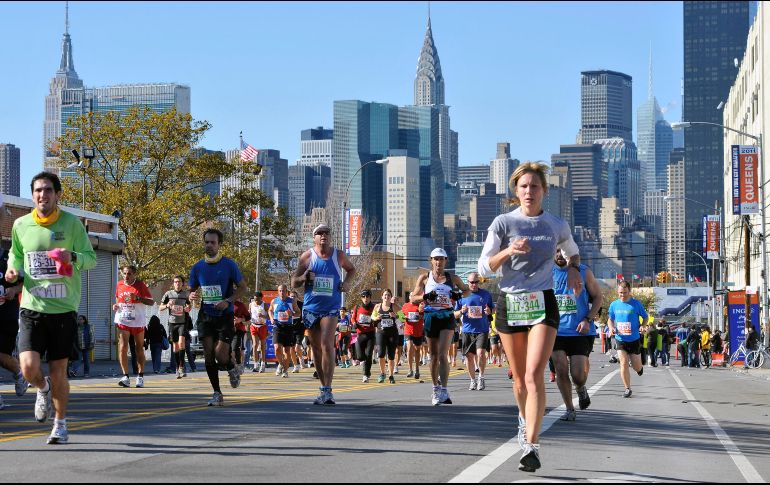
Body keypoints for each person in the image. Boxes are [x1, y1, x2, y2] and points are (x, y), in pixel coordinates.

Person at [477, 162, 582, 472]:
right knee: (520, 378)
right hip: (510, 302)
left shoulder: (556, 224)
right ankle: (524, 420)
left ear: (544, 191)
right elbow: (484, 268)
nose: (529, 191)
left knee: (535, 373)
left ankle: (532, 446)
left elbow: (572, 250)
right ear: (516, 191)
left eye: (534, 186)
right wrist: (509, 251)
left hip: (542, 302)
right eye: (523, 186)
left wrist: (573, 269)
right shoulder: (503, 223)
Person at [6, 171, 97, 444]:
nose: (42, 195)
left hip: (63, 309)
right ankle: (41, 388)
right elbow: (17, 254)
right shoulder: (21, 224)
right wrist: (13, 270)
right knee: (28, 368)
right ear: (32, 195)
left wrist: (74, 257)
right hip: (32, 306)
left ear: (58, 194)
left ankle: (60, 424)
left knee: (59, 371)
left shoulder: (72, 225)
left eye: (47, 190)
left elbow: (91, 259)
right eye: (37, 191)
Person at [291, 224, 356, 405]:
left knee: (327, 344)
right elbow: (294, 282)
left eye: (326, 233)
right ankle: (323, 388)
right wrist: (303, 277)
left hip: (331, 307)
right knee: (316, 349)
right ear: (314, 238)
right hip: (311, 309)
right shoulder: (307, 256)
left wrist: (347, 283)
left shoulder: (339, 255)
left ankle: (328, 389)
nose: (323, 236)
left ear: (330, 237)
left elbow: (352, 270)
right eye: (319, 233)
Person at [189, 228, 248, 406]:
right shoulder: (197, 267)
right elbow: (191, 290)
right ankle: (217, 393)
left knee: (220, 355)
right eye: (206, 242)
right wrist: (191, 296)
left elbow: (243, 288)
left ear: (219, 245)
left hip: (225, 316)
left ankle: (231, 367)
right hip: (206, 315)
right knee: (208, 355)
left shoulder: (229, 265)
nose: (209, 245)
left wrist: (228, 301)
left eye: (213, 242)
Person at [411, 247, 469, 406]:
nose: (438, 262)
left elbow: (467, 291)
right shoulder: (424, 277)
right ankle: (435, 389)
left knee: (443, 355)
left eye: (441, 259)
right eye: (436, 259)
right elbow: (412, 297)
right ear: (431, 261)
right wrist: (425, 296)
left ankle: (444, 389)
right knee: (434, 356)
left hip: (447, 316)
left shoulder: (453, 278)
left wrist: (458, 295)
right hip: (431, 316)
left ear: (445, 261)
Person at [551, 250, 603, 421]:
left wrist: (588, 319)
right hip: (555, 331)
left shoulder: (584, 271)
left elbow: (598, 298)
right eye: (556, 250)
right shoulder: (545, 272)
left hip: (580, 330)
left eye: (562, 251)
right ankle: (569, 408)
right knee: (560, 369)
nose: (559, 254)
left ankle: (581, 388)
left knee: (578, 375)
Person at [113, 264, 155, 388]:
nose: (126, 276)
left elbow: (151, 302)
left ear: (134, 274)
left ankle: (140, 376)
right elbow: (117, 299)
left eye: (129, 274)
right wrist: (115, 306)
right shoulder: (119, 284)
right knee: (122, 347)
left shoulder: (140, 285)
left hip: (138, 321)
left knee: (138, 348)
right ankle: (125, 376)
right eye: (124, 273)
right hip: (123, 319)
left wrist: (137, 297)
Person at [454, 272, 494, 391]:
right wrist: (461, 311)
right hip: (467, 329)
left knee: (481, 353)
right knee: (469, 357)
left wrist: (489, 311)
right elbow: (454, 314)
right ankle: (472, 380)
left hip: (482, 328)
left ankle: (481, 377)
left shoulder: (486, 294)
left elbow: (493, 309)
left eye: (476, 282)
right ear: (468, 282)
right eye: (472, 282)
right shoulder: (462, 296)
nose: (474, 284)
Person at [607, 280, 648, 398]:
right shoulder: (614, 305)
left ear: (629, 291)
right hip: (620, 339)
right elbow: (610, 319)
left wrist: (643, 326)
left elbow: (645, 317)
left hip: (634, 339)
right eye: (620, 292)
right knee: (623, 363)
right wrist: (611, 328)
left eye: (625, 293)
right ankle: (627, 388)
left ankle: (639, 368)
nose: (622, 295)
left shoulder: (636, 304)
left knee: (637, 367)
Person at [0, 245, 29, 409]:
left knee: (2, 357)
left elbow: (26, 284)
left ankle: (19, 373)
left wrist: (14, 290)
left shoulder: (9, 260)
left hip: (6, 317)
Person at [159, 275, 192, 378]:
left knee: (182, 343)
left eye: (179, 282)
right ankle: (177, 368)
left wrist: (188, 308)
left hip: (183, 322)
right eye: (175, 282)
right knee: (175, 346)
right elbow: (160, 307)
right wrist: (167, 305)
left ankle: (182, 367)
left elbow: (190, 306)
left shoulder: (186, 294)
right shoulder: (168, 294)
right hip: (172, 323)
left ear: (183, 283)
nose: (177, 283)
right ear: (173, 283)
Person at [269, 284, 299, 378]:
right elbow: (270, 310)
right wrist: (271, 318)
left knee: (287, 350)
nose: (282, 292)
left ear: (287, 292)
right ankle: (281, 364)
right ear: (278, 292)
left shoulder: (292, 301)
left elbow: (299, 312)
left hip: (288, 327)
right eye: (280, 291)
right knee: (277, 348)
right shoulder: (274, 301)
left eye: (284, 291)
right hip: (277, 326)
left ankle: (285, 371)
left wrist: (292, 313)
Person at [372, 289, 401, 384]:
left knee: (391, 355)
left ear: (390, 297)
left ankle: (391, 375)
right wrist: (376, 318)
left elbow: (403, 318)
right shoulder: (377, 306)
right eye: (385, 295)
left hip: (392, 333)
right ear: (382, 296)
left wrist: (395, 316)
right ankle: (382, 373)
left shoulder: (395, 306)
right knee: (381, 354)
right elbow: (372, 317)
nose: (386, 297)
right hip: (381, 332)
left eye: (388, 295)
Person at [353, 290, 376, 382]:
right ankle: (365, 369)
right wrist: (354, 323)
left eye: (367, 297)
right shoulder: (357, 307)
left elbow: (377, 317)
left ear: (370, 297)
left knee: (369, 354)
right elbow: (353, 317)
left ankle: (366, 374)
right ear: (361, 298)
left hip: (370, 334)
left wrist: (375, 321)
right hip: (360, 334)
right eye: (363, 297)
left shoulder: (374, 307)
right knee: (360, 357)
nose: (365, 299)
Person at [401, 298, 424, 379]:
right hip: (408, 330)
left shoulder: (420, 305)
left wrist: (420, 314)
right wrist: (403, 318)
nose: (413, 297)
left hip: (418, 331)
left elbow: (423, 316)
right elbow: (401, 315)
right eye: (411, 295)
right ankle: (410, 369)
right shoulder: (405, 305)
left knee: (417, 350)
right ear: (410, 297)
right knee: (410, 348)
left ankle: (417, 369)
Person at [249, 292, 270, 373]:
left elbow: (269, 316)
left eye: (258, 299)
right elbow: (250, 314)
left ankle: (263, 364)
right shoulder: (251, 304)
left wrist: (263, 316)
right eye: (255, 299)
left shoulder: (265, 305)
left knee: (262, 346)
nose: (256, 301)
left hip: (262, 326)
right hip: (254, 325)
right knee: (255, 344)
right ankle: (256, 364)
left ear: (261, 298)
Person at [232, 297, 250, 373]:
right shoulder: (225, 304)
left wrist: (240, 320)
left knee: (235, 348)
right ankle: (233, 366)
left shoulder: (240, 305)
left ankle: (239, 364)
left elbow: (248, 317)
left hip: (238, 330)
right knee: (229, 350)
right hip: (227, 330)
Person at [290, 289, 305, 372]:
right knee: (291, 348)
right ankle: (295, 366)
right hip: (290, 328)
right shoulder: (287, 304)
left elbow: (305, 314)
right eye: (291, 297)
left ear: (297, 297)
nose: (292, 298)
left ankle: (301, 358)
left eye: (294, 297)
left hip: (300, 328)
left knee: (297, 347)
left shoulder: (301, 305)